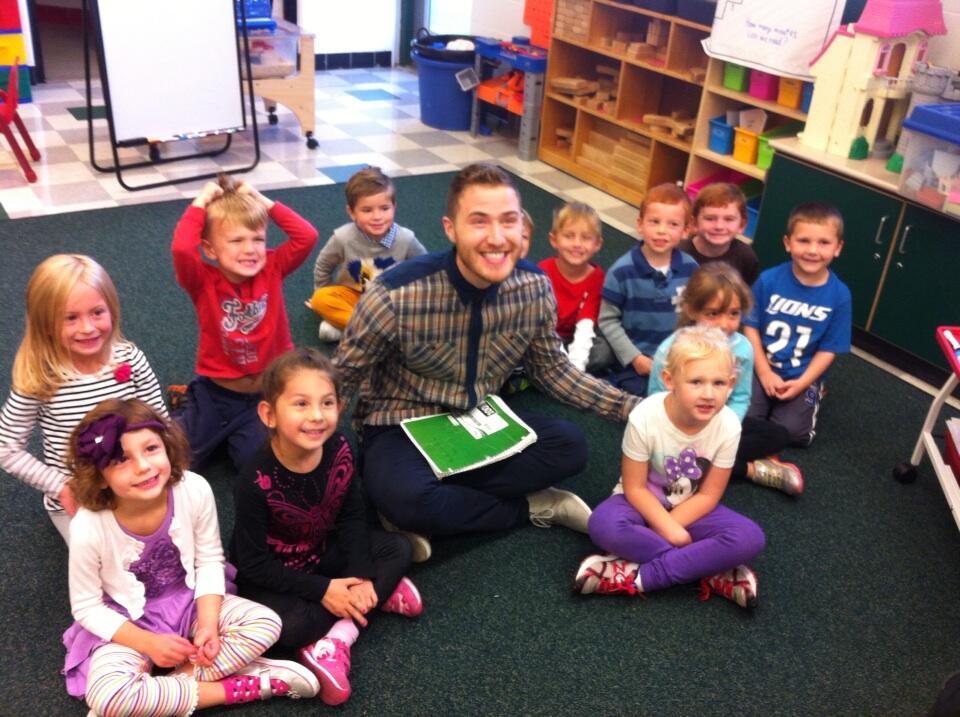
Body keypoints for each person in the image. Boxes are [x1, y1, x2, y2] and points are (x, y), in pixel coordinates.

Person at [333, 163, 639, 562]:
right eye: (479, 222)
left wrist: (632, 408)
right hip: (400, 422)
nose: (497, 238)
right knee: (402, 495)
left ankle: (437, 509)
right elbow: (343, 379)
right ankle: (530, 506)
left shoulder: (532, 287)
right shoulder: (394, 294)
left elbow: (551, 369)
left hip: (479, 420)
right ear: (451, 228)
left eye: (508, 221)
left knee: (571, 447)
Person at [62, 398, 319, 716]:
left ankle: (151, 697)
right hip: (128, 619)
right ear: (99, 476)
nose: (143, 466)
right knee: (106, 696)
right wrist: (147, 643)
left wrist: (209, 624)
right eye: (121, 460)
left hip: (190, 601)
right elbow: (87, 607)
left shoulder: (194, 489)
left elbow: (210, 560)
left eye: (151, 449)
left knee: (265, 624)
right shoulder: (89, 526)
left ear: (167, 446)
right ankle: (243, 686)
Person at [230, 348, 420, 706]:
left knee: (399, 548)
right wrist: (322, 590)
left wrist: (360, 573)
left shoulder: (340, 447)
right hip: (275, 575)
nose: (317, 417)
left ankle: (337, 637)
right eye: (300, 404)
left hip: (320, 551)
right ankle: (369, 602)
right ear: (269, 414)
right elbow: (253, 565)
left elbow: (351, 515)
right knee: (290, 628)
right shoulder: (253, 480)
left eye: (327, 403)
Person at [575, 326, 766, 608]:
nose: (708, 394)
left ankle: (642, 575)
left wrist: (672, 526)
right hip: (639, 504)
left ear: (732, 383)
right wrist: (667, 529)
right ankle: (707, 569)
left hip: (691, 507)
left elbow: (709, 495)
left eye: (719, 383)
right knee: (602, 525)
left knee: (750, 537)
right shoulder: (645, 416)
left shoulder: (728, 425)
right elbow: (635, 488)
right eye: (696, 382)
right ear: (669, 380)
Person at [0, 254, 167, 542]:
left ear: (111, 310)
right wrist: (60, 486)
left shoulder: (130, 359)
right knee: (103, 568)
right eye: (70, 318)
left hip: (134, 481)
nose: (88, 328)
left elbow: (159, 421)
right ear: (46, 325)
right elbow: (6, 447)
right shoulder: (41, 378)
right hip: (80, 498)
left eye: (97, 313)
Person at [171, 174, 318, 470]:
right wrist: (200, 202)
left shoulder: (273, 267)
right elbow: (182, 249)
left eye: (258, 239)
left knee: (259, 465)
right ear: (210, 249)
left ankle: (230, 430)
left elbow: (307, 236)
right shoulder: (202, 281)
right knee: (176, 459)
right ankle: (188, 402)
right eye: (236, 240)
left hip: (266, 396)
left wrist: (260, 198)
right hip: (217, 395)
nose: (250, 250)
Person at [648, 264, 803, 495]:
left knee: (778, 435)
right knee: (669, 466)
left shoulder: (743, 348)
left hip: (718, 423)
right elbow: (655, 403)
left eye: (733, 314)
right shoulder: (670, 351)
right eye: (713, 314)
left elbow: (740, 397)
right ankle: (750, 470)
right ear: (692, 311)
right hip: (678, 429)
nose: (724, 324)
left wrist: (724, 432)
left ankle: (710, 463)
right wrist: (690, 436)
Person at [743, 202, 851, 448]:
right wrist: (764, 372)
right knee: (741, 417)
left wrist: (802, 384)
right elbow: (750, 327)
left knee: (792, 434)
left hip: (802, 374)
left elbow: (829, 349)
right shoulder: (768, 280)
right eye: (803, 241)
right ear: (787, 243)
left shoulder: (840, 295)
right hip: (762, 366)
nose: (813, 250)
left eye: (824, 243)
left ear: (838, 248)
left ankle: (815, 393)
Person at [597, 182, 699, 396]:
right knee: (645, 400)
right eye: (654, 222)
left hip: (677, 359)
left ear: (686, 230)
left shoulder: (691, 269)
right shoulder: (621, 272)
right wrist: (636, 358)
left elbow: (696, 317)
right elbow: (607, 320)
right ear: (640, 224)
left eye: (673, 224)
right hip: (636, 360)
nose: (662, 230)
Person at [306, 166, 426, 342]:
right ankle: (383, 332)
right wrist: (323, 293)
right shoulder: (342, 237)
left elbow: (426, 267)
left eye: (385, 208)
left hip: (391, 301)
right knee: (320, 299)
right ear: (351, 212)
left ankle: (351, 330)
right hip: (354, 297)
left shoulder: (405, 238)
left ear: (394, 207)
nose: (377, 217)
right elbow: (323, 264)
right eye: (367, 210)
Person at [538, 201, 605, 372]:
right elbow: (539, 323)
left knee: (603, 352)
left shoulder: (596, 277)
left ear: (597, 244)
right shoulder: (542, 271)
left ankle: (556, 365)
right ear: (554, 240)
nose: (577, 244)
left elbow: (585, 325)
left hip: (573, 337)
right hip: (542, 333)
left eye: (586, 238)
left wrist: (575, 371)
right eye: (569, 236)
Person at [679, 182, 760, 286]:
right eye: (710, 218)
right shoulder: (678, 253)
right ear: (695, 223)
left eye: (729, 219)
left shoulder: (746, 257)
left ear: (741, 226)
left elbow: (747, 296)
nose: (719, 226)